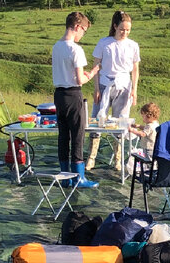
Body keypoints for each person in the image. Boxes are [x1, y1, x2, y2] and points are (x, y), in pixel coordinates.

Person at [51, 11, 100, 188]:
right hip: (73, 94)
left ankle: (65, 176)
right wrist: (92, 73)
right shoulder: (76, 49)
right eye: (84, 31)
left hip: (59, 95)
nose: (82, 34)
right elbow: (80, 79)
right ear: (78, 27)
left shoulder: (56, 46)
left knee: (63, 135)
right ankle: (79, 177)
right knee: (77, 134)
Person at [87, 10, 140, 172]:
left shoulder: (133, 45)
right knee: (97, 121)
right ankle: (91, 158)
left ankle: (118, 159)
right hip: (104, 84)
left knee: (120, 122)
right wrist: (96, 88)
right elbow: (96, 66)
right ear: (115, 26)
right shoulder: (104, 43)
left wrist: (134, 91)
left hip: (124, 86)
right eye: (122, 29)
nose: (125, 32)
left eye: (128, 30)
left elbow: (135, 69)